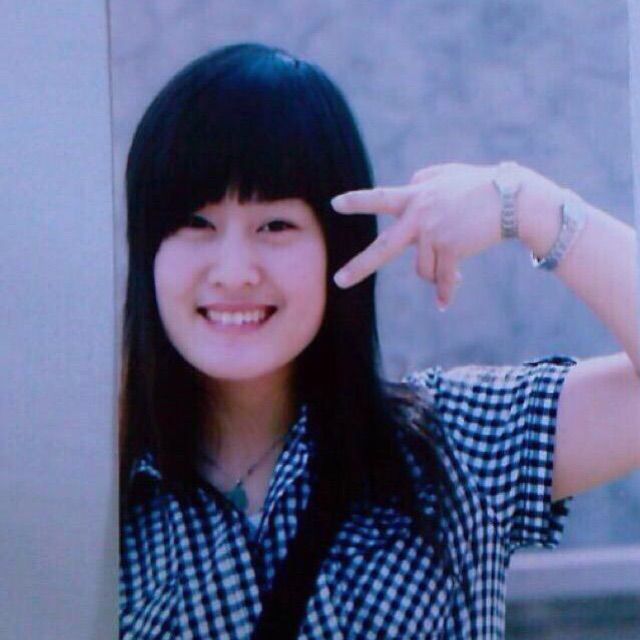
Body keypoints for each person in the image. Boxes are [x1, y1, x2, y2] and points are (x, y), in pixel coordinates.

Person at [119, 43, 640, 639]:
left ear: (338, 247)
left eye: (275, 225)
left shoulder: (451, 449)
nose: (234, 271)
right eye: (196, 224)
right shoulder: (93, 508)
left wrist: (525, 204)